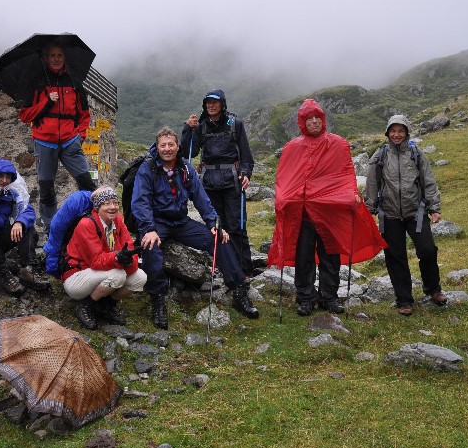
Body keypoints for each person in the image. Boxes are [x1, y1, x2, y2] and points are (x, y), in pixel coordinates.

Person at [132, 127, 259, 329]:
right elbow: (141, 201)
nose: (167, 149)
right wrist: (148, 229)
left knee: (218, 239)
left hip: (181, 222)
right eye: (163, 145)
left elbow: (201, 198)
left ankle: (238, 289)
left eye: (171, 144)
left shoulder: (185, 168)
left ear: (177, 146)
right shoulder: (148, 168)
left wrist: (213, 223)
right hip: (157, 222)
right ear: (157, 147)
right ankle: (157, 299)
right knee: (150, 246)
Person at [268, 99, 386, 317]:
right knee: (304, 258)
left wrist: (351, 193)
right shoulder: (292, 148)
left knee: (330, 256)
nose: (314, 121)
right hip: (304, 214)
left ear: (323, 120)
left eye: (317, 117)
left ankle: (329, 297)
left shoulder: (338, 144)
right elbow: (285, 178)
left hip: (330, 212)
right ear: (302, 122)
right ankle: (306, 298)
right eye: (309, 118)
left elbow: (345, 174)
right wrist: (282, 198)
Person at [365, 114, 447, 316]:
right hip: (389, 215)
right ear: (387, 133)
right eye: (393, 131)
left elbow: (428, 181)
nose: (396, 135)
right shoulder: (380, 155)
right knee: (395, 256)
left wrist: (434, 208)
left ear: (407, 132)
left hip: (415, 212)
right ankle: (404, 300)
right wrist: (370, 208)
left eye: (401, 131)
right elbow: (372, 183)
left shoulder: (416, 154)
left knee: (427, 250)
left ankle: (433, 289)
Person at [18, 43, 96, 234]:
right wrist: (46, 101)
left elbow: (84, 114)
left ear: (64, 57)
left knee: (86, 181)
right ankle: (50, 227)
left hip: (70, 141)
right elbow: (25, 115)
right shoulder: (36, 82)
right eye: (52, 55)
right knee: (46, 186)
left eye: (59, 55)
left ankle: (93, 218)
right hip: (44, 141)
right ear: (46, 57)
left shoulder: (75, 82)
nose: (56, 59)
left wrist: (79, 137)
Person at [181, 89, 255, 277]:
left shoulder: (234, 124)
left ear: (222, 104)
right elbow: (190, 151)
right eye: (208, 102)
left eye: (215, 102)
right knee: (216, 227)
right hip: (209, 183)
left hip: (232, 182)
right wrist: (187, 129)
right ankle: (225, 268)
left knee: (236, 226)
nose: (211, 105)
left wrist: (246, 173)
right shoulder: (201, 126)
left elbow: (245, 154)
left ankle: (244, 271)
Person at [61, 186, 148, 330]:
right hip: (77, 276)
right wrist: (118, 258)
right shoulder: (86, 224)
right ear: (97, 207)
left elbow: (129, 248)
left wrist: (128, 260)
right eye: (106, 203)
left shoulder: (118, 221)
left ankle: (105, 306)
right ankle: (85, 306)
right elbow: (96, 261)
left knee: (140, 277)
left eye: (115, 202)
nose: (112, 207)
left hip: (104, 270)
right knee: (118, 275)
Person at [0, 157, 49, 296]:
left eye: (8, 177)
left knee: (27, 227)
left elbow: (26, 209)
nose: (4, 180)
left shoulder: (9, 194)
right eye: (1, 176)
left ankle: (28, 269)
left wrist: (20, 222)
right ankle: (3, 275)